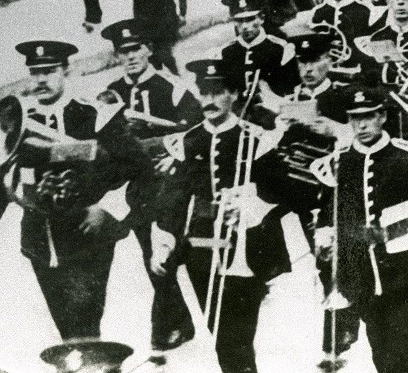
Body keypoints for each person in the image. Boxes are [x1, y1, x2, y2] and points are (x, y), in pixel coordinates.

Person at [313, 89, 408, 373]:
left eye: (369, 117)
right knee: (380, 352)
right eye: (355, 118)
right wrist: (324, 237)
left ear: (382, 116)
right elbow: (327, 212)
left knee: (402, 354)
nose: (361, 126)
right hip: (363, 277)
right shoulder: (339, 163)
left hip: (407, 274)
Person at [8, 40, 153, 341]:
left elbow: (139, 169)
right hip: (41, 240)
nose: (41, 80)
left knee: (85, 326)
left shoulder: (95, 114)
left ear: (66, 70)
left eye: (49, 71)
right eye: (35, 73)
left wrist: (108, 208)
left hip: (87, 236)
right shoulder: (19, 121)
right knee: (66, 330)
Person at [153, 58, 290, 373]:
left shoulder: (256, 138)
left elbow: (283, 193)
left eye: (217, 92)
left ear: (235, 95)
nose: (209, 101)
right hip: (202, 250)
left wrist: (251, 201)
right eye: (204, 93)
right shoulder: (188, 141)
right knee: (220, 337)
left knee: (238, 338)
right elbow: (173, 197)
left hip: (248, 244)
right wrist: (164, 238)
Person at [101, 19, 202, 351]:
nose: (130, 57)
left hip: (171, 181)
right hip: (138, 187)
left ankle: (165, 326)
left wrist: (174, 152)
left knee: (170, 250)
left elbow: (196, 130)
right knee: (151, 255)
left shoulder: (171, 87)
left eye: (135, 49)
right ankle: (178, 323)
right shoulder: (111, 93)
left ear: (148, 50)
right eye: (123, 51)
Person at [219, 0, 299, 99]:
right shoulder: (225, 52)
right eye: (239, 20)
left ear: (261, 18)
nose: (244, 26)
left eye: (249, 19)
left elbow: (291, 91)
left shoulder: (280, 49)